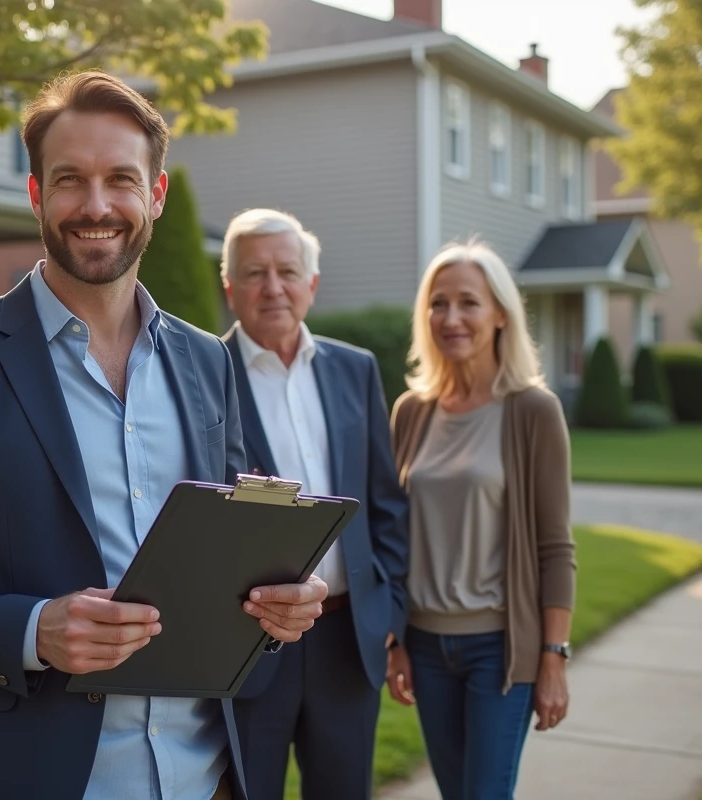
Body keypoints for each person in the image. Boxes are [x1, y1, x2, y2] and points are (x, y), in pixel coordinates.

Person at [0, 70, 329, 800]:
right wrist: (33, 629)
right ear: (37, 194)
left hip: (203, 777)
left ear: (155, 196)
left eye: (121, 180)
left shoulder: (206, 361)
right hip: (22, 774)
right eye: (70, 180)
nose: (96, 206)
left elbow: (226, 539)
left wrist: (280, 598)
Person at [218, 208, 410, 800]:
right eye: (254, 273)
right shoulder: (203, 373)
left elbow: (388, 505)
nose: (272, 287)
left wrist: (389, 609)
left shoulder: (355, 369)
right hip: (248, 644)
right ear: (230, 289)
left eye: (287, 271)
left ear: (312, 284)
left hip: (347, 641)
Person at [386, 239, 575, 800]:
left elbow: (555, 547)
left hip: (499, 649)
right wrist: (395, 643)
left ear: (499, 314)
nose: (451, 318)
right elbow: (391, 537)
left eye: (468, 302)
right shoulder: (411, 413)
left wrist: (553, 658)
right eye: (438, 304)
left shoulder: (532, 411)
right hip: (425, 646)